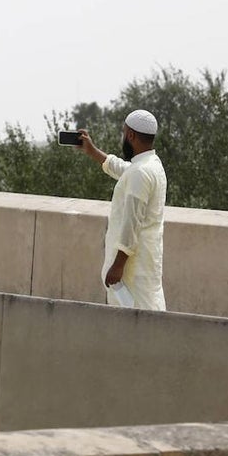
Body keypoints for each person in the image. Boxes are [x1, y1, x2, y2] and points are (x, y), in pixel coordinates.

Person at [76, 110, 167, 311]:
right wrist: (92, 151)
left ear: (131, 136)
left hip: (133, 271)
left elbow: (131, 225)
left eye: (124, 132)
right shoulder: (151, 166)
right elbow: (123, 170)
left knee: (139, 324)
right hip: (145, 264)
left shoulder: (141, 172)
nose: (123, 137)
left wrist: (117, 266)